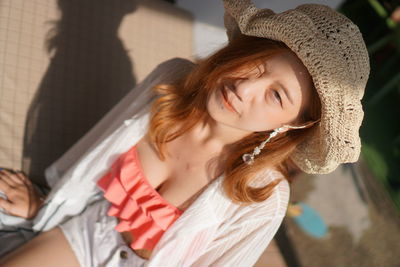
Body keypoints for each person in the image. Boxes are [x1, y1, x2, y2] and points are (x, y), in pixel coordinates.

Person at [0, 0, 370, 266]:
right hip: (90, 232)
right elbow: (93, 152)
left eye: (276, 95)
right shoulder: (170, 81)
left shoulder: (263, 197)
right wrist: (44, 209)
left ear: (296, 122)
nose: (244, 89)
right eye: (257, 64)